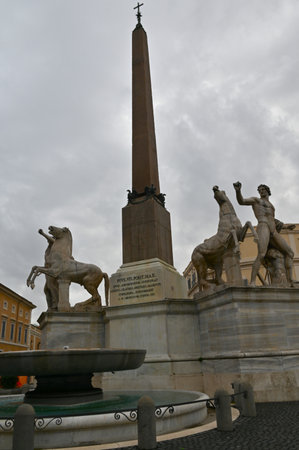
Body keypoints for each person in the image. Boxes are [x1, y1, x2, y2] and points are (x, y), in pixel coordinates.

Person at [233, 182, 294, 286]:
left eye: (263, 189)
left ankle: (290, 280)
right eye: (259, 190)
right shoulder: (256, 201)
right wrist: (238, 191)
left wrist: (286, 227)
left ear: (268, 191)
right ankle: (252, 281)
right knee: (261, 254)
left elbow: (273, 220)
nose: (261, 191)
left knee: (290, 253)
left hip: (273, 230)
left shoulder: (272, 206)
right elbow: (241, 201)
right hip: (263, 226)